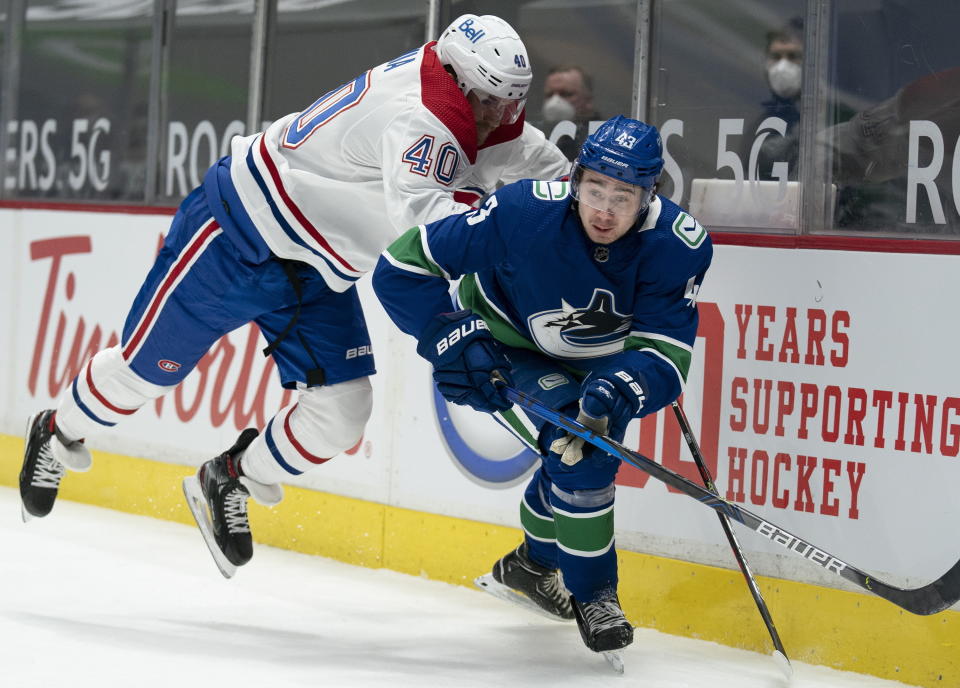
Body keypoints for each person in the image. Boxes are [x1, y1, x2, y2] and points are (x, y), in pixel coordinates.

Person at [17, 14, 569, 578]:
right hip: (239, 234)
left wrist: (595, 202)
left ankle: (232, 475)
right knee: (143, 373)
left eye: (509, 102)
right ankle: (57, 431)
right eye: (487, 101)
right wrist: (517, 233)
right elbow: (423, 233)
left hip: (316, 267)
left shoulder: (471, 95)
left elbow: (528, 156)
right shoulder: (422, 119)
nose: (497, 115)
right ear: (455, 77)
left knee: (343, 412)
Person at [371, 116, 712, 657]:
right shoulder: (524, 210)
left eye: (623, 196)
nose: (604, 208)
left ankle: (531, 565)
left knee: (575, 450)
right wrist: (449, 335)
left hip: (605, 363)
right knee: (581, 456)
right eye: (595, 188)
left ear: (650, 196)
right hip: (512, 345)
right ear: (576, 179)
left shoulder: (678, 245)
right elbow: (402, 265)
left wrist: (628, 384)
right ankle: (595, 595)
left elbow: (666, 352)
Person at [744, 19, 803, 181]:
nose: (783, 66)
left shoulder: (821, 118)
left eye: (793, 56)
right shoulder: (759, 124)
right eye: (776, 56)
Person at [541, 65, 601, 160]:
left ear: (588, 100)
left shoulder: (601, 139)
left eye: (566, 94)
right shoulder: (539, 136)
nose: (555, 101)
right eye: (549, 94)